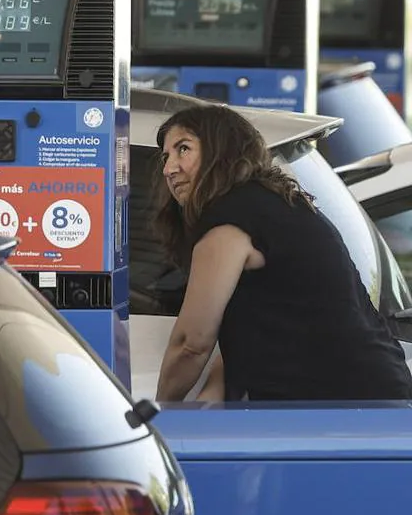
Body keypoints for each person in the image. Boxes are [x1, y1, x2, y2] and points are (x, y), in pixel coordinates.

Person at [153, 104, 412, 403]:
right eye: (166, 156)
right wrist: (214, 392)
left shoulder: (229, 218)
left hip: (343, 404)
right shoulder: (274, 204)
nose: (168, 169)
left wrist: (157, 415)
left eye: (183, 149)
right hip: (375, 393)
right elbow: (252, 321)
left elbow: (191, 344)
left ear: (220, 150)